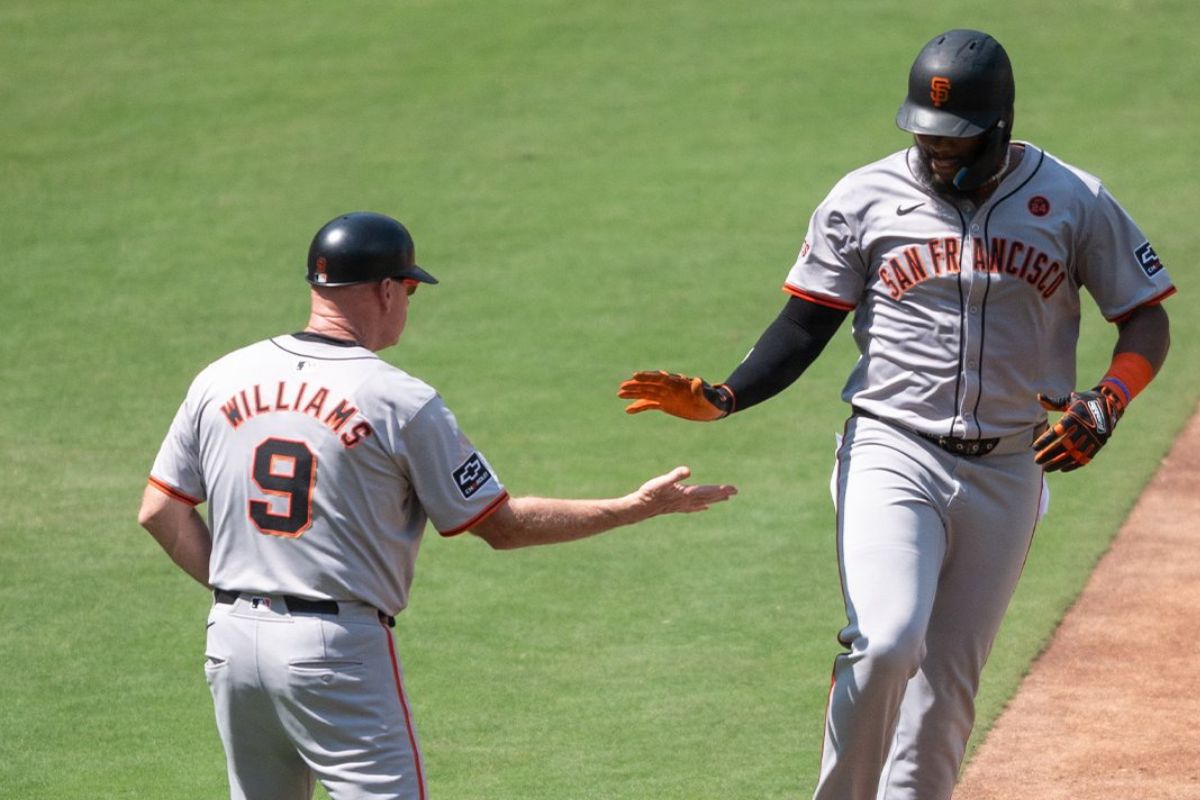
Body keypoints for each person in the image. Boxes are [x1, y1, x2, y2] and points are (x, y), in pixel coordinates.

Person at [617, 29, 1173, 800]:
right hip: (893, 450)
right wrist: (726, 397)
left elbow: (1145, 317)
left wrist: (1108, 402)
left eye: (955, 141)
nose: (935, 151)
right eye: (924, 134)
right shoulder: (865, 196)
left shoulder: (1073, 199)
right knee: (886, 644)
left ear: (999, 128)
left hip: (1010, 465)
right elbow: (804, 324)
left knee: (946, 692)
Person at [138, 210, 737, 800]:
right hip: (333, 649)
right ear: (385, 290)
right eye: (409, 290)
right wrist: (635, 506)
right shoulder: (398, 400)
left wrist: (242, 592)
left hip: (231, 638)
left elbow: (160, 511)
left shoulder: (220, 377)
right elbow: (501, 527)